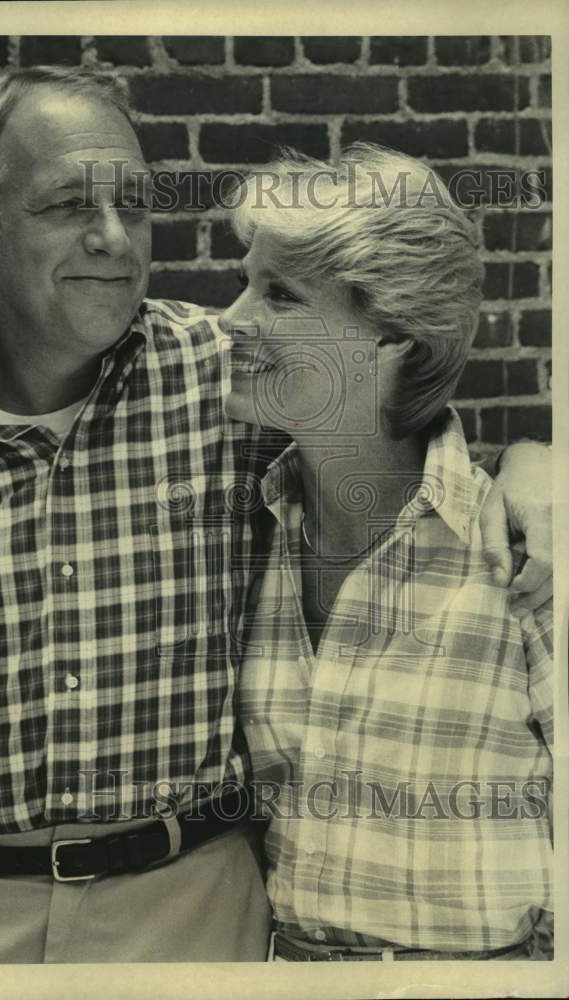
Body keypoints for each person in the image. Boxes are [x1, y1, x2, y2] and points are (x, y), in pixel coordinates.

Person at [0, 68, 551, 965]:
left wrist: (534, 471)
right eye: (65, 206)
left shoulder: (221, 376)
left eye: (134, 205)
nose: (112, 238)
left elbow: (386, 420)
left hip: (190, 917)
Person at [218, 144, 553, 962]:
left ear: (392, 340)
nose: (231, 318)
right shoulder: (249, 529)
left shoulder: (522, 552)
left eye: (280, 295)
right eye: (246, 280)